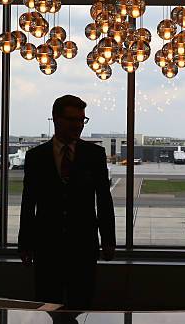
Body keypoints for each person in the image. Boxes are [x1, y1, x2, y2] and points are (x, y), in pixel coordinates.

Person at [18, 95, 116, 310]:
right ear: (56, 119)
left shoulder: (95, 155)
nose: (78, 125)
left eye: (82, 120)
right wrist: (25, 243)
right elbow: (28, 202)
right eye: (73, 120)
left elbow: (104, 199)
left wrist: (108, 239)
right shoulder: (36, 157)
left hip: (83, 246)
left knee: (81, 307)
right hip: (47, 248)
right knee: (47, 309)